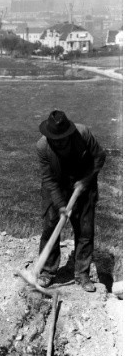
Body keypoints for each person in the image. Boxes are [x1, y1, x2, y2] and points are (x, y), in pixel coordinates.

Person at [36, 110, 106, 293]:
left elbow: (99, 157)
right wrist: (61, 205)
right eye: (54, 139)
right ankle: (47, 271)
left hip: (84, 182)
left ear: (68, 134)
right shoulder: (42, 147)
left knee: (85, 230)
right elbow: (49, 180)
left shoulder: (83, 134)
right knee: (51, 226)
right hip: (56, 185)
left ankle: (82, 274)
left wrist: (86, 180)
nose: (58, 142)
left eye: (62, 139)